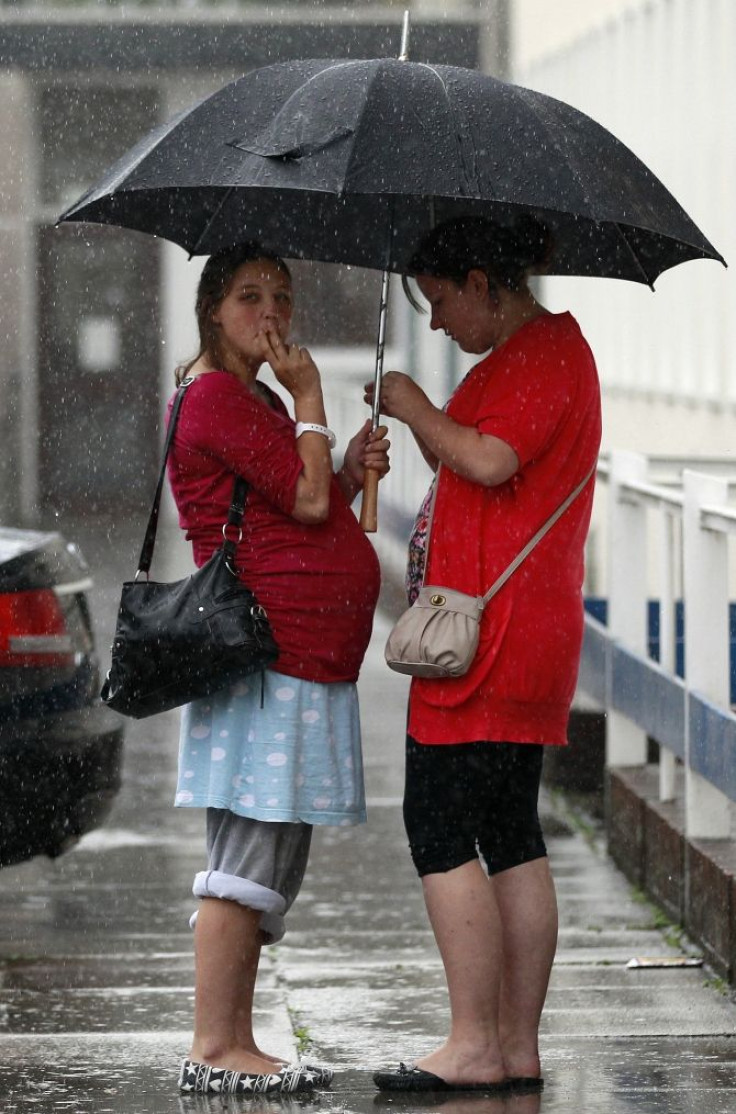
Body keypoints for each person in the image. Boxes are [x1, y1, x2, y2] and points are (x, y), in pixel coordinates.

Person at [368, 217, 601, 1094]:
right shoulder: (528, 358)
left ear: (479, 281)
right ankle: (510, 1045)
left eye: (439, 302)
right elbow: (474, 462)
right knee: (508, 834)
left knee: (437, 826)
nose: (435, 324)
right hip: (513, 631)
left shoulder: (543, 354)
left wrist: (416, 405)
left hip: (487, 643)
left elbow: (494, 460)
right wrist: (413, 432)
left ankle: (474, 1042)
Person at [165, 241, 389, 1096]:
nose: (273, 313)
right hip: (266, 656)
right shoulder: (219, 397)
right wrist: (312, 402)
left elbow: (308, 495)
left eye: (284, 298)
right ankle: (217, 1046)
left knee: (272, 855)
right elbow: (300, 505)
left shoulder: (250, 397)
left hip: (296, 658)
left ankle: (235, 1041)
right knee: (249, 851)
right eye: (251, 296)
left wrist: (339, 461)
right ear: (214, 312)